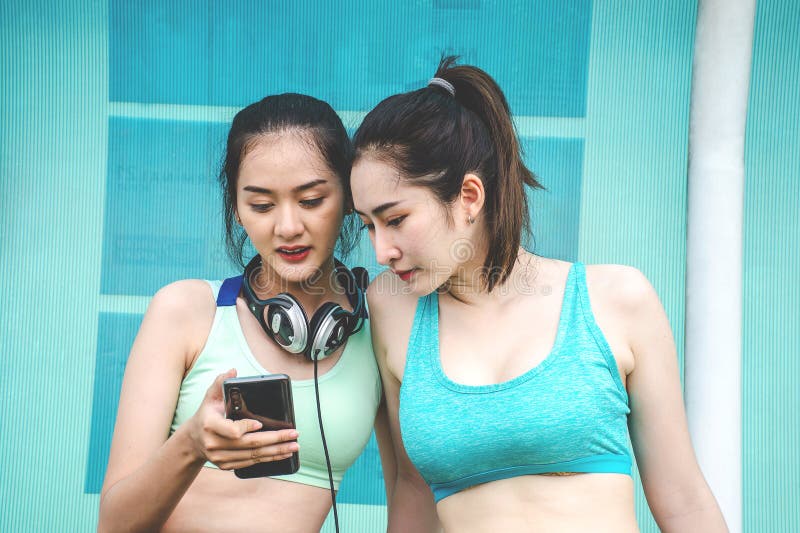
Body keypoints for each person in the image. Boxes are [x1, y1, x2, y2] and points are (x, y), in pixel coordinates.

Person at [350, 57, 728, 533]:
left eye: (396, 219)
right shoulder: (390, 310)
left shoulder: (616, 299)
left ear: (469, 196)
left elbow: (684, 501)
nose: (381, 250)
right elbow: (411, 493)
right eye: (367, 225)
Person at [98, 93, 390, 533]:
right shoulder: (183, 311)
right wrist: (192, 445)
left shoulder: (382, 326)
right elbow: (114, 525)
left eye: (311, 200)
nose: (288, 227)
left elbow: (411, 489)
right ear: (236, 207)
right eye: (261, 205)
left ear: (350, 196)